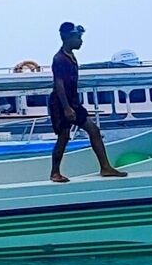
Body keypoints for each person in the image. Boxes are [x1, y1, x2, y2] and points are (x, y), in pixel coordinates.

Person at [47, 22, 128, 184]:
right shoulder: (59, 59)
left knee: (94, 130)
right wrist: (66, 108)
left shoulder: (71, 56)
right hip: (61, 104)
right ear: (68, 38)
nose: (81, 41)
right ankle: (54, 172)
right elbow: (59, 84)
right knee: (63, 137)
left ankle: (105, 167)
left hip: (73, 103)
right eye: (78, 38)